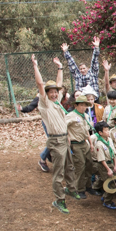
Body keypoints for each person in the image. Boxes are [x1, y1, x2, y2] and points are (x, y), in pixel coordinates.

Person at [32, 54, 78, 214]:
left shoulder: (57, 101)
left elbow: (58, 84)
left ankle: (71, 189)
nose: (53, 94)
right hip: (55, 141)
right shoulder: (44, 104)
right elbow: (40, 83)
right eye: (50, 92)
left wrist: (60, 67)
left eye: (55, 92)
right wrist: (35, 66)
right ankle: (59, 200)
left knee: (69, 166)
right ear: (45, 93)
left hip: (64, 138)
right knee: (58, 173)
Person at [66, 94, 95, 199]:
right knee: (80, 166)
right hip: (75, 144)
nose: (83, 107)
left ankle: (88, 186)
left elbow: (87, 131)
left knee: (89, 164)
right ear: (76, 105)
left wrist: (90, 143)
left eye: (85, 105)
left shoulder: (85, 116)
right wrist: (67, 138)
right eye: (81, 105)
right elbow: (63, 127)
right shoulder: (71, 116)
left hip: (84, 143)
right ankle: (80, 189)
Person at [91, 121, 116, 209]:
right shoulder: (99, 144)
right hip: (104, 165)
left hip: (111, 163)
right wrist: (108, 169)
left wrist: (115, 166)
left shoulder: (109, 140)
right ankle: (107, 201)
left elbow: (113, 153)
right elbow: (101, 159)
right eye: (106, 130)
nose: (108, 132)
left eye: (108, 130)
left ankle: (105, 196)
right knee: (111, 183)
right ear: (100, 133)